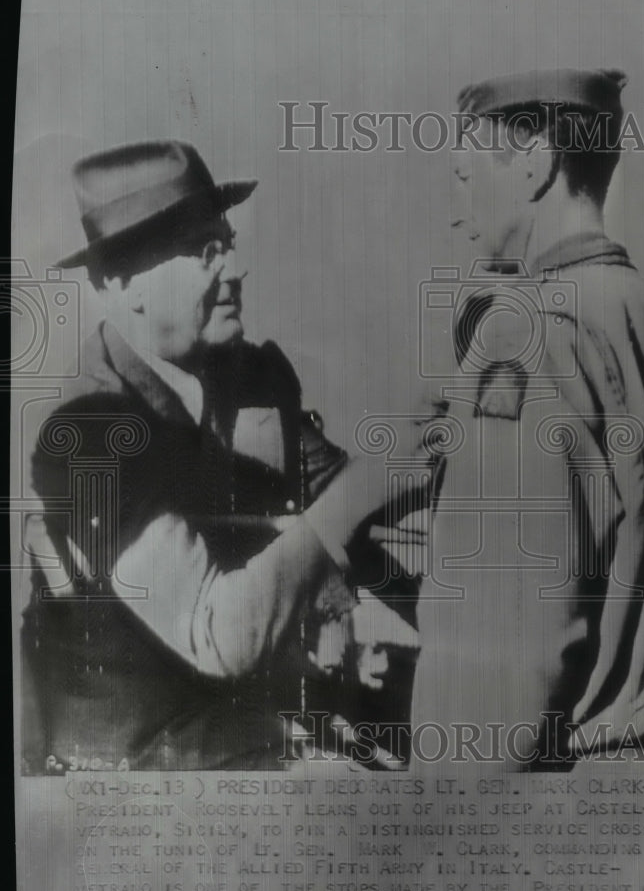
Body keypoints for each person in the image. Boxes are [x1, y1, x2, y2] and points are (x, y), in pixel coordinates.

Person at [20, 140, 422, 773]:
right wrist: (354, 501)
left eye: (227, 243)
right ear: (119, 283)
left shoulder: (248, 378)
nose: (233, 268)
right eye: (202, 250)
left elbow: (364, 507)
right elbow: (215, 635)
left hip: (256, 730)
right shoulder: (86, 437)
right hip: (138, 775)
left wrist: (455, 439)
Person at [409, 69, 644, 769]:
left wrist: (436, 827)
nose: (455, 210)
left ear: (533, 162)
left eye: (464, 178)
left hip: (585, 813)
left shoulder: (520, 336)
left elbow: (503, 673)